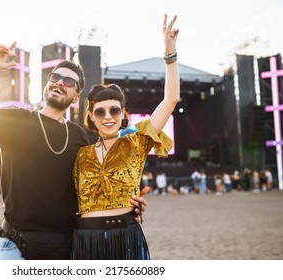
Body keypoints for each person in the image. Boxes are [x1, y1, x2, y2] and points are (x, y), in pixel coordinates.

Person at [0, 42, 148, 260]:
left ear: (75, 98)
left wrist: (128, 205)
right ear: (47, 84)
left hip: (66, 247)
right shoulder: (16, 120)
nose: (59, 83)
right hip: (15, 244)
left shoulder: (79, 137)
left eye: (68, 81)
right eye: (55, 77)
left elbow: (95, 185)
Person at [71, 14, 179, 260]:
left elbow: (171, 100)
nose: (107, 116)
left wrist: (170, 55)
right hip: (85, 240)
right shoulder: (79, 153)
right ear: (91, 116)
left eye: (114, 110)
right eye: (100, 111)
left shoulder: (137, 142)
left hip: (126, 236)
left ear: (123, 114)